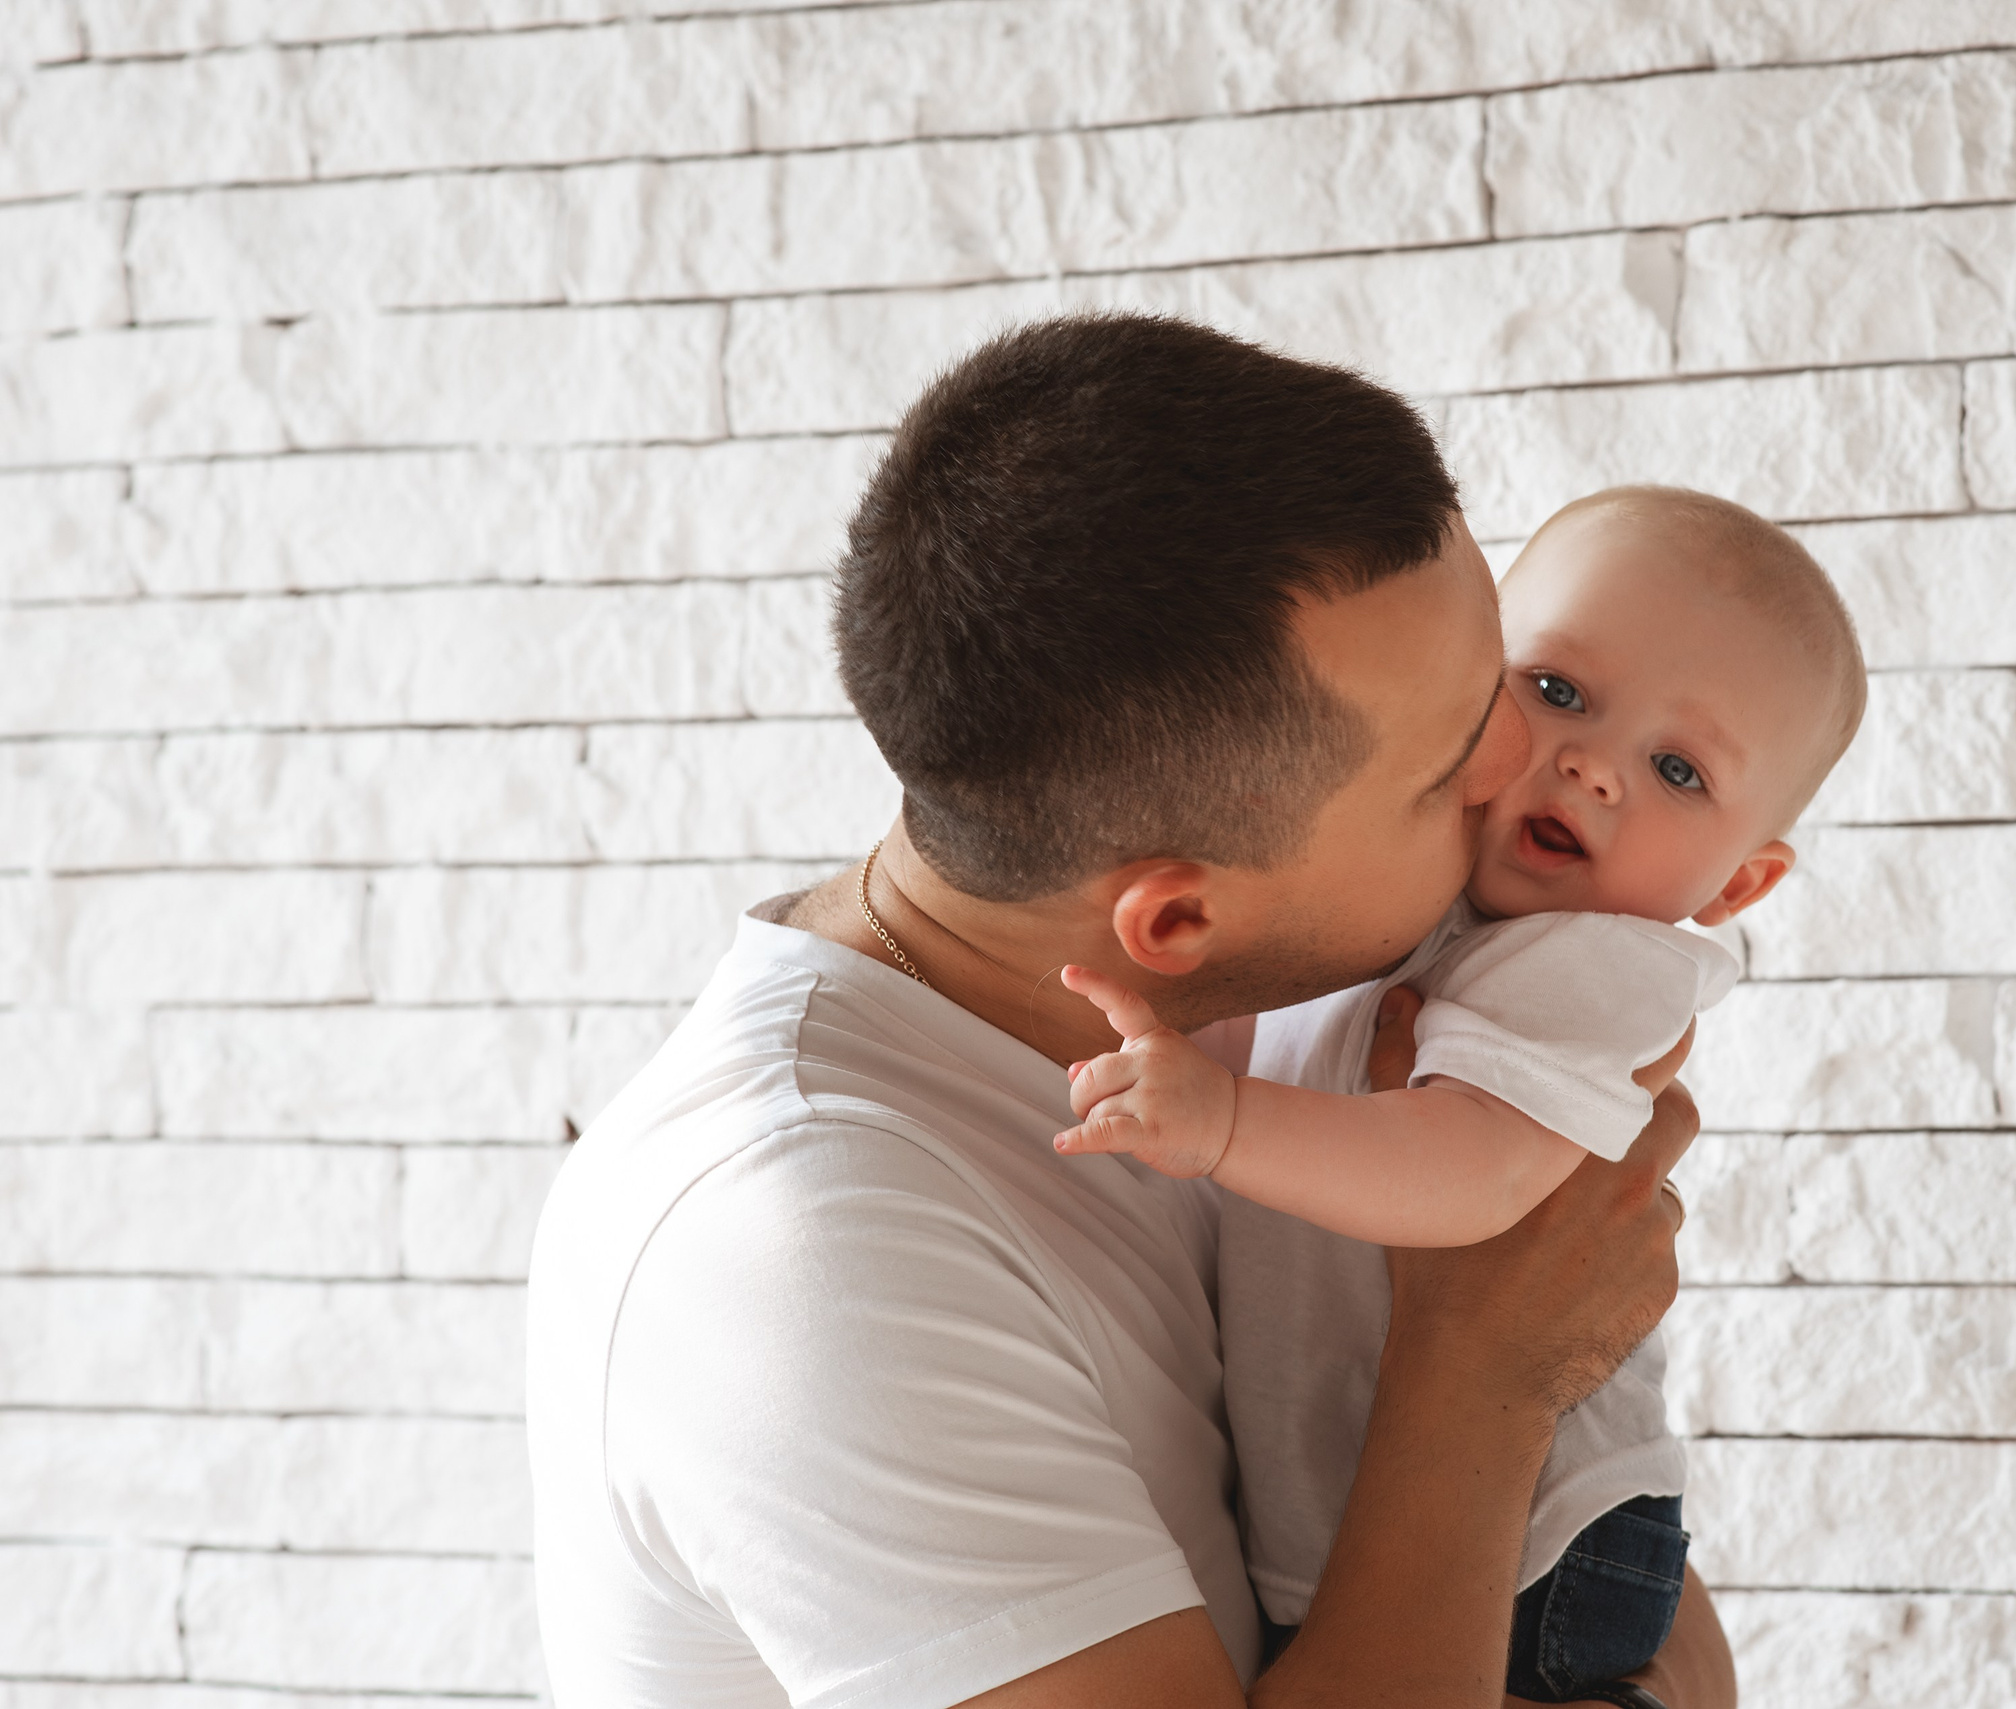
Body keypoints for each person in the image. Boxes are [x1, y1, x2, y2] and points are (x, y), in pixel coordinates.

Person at [524, 314, 1737, 1708]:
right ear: (1173, 920)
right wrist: (1485, 1376)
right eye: (1451, 756)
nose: (1526, 761)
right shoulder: (813, 1256)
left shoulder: (1231, 1042)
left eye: (1510, 674)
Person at [1050, 486, 1866, 1700]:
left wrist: (1219, 1124)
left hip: (1546, 1545)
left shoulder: (1595, 962)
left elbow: (1469, 1167)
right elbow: (1274, 1045)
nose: (1591, 766)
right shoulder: (1415, 898)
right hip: (1337, 1504)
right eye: (1556, 692)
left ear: (1736, 884)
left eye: (1679, 767)